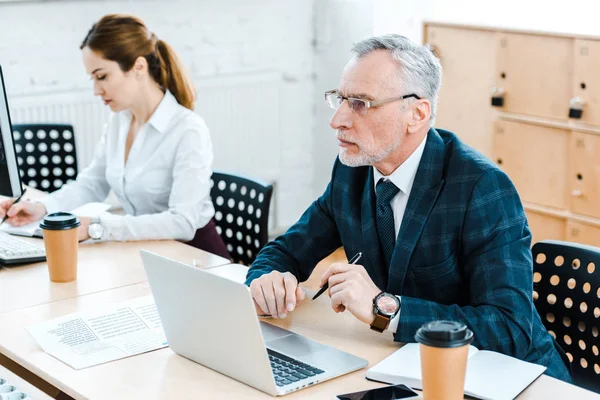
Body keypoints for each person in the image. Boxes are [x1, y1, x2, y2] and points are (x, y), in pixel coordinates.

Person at [245, 34, 571, 381]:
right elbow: (286, 249)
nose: (337, 119)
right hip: (406, 370)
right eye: (340, 99)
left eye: (360, 103)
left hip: (513, 381)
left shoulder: (481, 188)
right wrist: (267, 280)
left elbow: (510, 329)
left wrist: (386, 308)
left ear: (417, 114)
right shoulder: (352, 170)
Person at [0, 14, 229, 258]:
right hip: (149, 252)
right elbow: (93, 183)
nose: (97, 90)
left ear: (139, 67)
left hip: (195, 258)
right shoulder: (119, 121)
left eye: (102, 76)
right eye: (93, 79)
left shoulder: (188, 130)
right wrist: (43, 208)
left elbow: (183, 222)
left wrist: (99, 227)